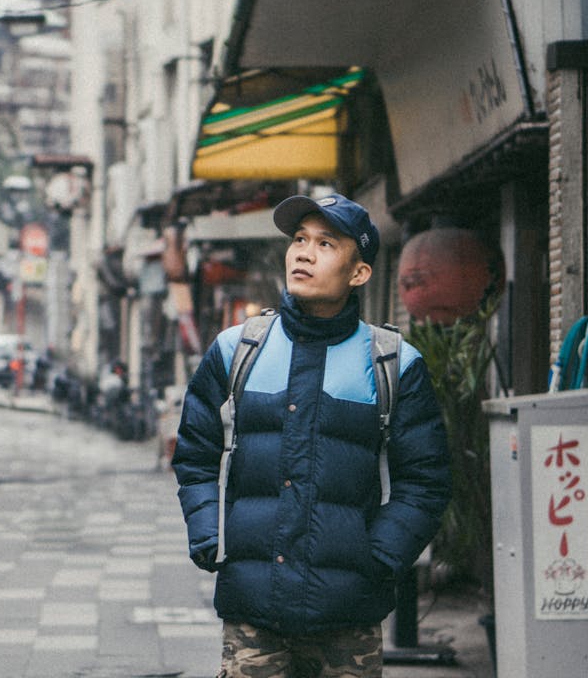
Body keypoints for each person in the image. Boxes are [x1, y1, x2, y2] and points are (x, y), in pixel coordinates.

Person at [173, 194, 451, 677]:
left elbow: (426, 480)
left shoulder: (393, 363)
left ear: (359, 273)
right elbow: (196, 454)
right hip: (253, 608)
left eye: (325, 243)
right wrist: (207, 531)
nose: (303, 252)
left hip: (349, 615)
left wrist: (378, 558)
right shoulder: (236, 349)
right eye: (299, 239)